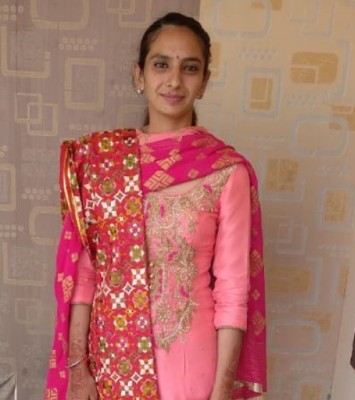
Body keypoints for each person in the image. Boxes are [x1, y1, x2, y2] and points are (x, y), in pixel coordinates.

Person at [44, 12, 266, 400]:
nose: (174, 80)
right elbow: (85, 275)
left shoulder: (227, 172)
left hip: (190, 367)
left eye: (190, 68)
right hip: (111, 361)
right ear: (139, 75)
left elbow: (233, 292)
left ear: (204, 81)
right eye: (161, 64)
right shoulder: (102, 164)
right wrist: (78, 369)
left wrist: (221, 392)